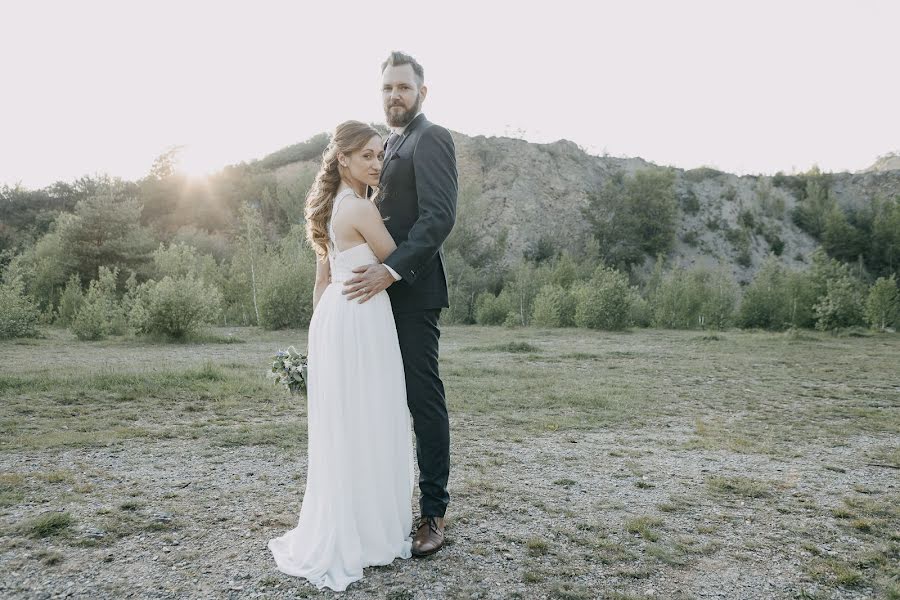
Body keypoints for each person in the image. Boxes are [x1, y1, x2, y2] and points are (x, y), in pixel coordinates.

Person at [267, 120, 414, 592]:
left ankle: (353, 519)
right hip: (362, 319)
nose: (377, 163)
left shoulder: (331, 207)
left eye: (381, 155)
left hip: (335, 319)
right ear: (343, 159)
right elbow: (399, 262)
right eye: (368, 155)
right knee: (371, 416)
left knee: (346, 423)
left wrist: (318, 339)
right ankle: (371, 533)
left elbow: (321, 282)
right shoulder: (362, 211)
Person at [343, 51, 458, 557]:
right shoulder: (387, 144)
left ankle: (433, 512)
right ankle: (381, 506)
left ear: (422, 93)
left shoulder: (431, 138)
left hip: (411, 291)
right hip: (373, 294)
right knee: (380, 400)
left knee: (421, 398)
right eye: (388, 87)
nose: (395, 95)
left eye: (404, 88)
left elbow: (438, 218)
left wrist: (391, 269)